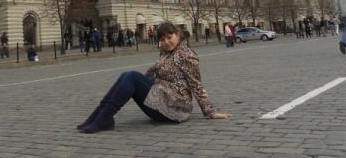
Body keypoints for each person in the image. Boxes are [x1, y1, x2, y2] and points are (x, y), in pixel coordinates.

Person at [76, 21, 231, 134]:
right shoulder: (165, 53)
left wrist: (210, 112)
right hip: (160, 100)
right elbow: (150, 75)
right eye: (163, 39)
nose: (167, 42)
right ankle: (98, 116)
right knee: (126, 76)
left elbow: (197, 85)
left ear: (178, 35)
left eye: (170, 37)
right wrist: (132, 87)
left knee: (131, 76)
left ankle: (103, 118)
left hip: (175, 108)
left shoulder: (187, 55)